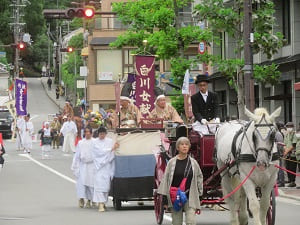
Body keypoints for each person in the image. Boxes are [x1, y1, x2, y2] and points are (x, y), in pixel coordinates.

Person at [158, 137, 203, 225]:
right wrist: (165, 199)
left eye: (186, 144)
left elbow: (199, 177)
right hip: (175, 196)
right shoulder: (171, 162)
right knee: (176, 222)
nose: (184, 146)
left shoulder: (193, 163)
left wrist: (200, 194)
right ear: (178, 147)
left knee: (191, 221)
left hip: (190, 196)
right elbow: (165, 180)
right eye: (182, 144)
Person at [92, 126, 119, 212]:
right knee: (99, 185)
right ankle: (100, 203)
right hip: (99, 167)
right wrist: (110, 149)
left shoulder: (110, 141)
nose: (102, 135)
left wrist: (112, 149)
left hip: (107, 166)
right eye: (100, 134)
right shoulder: (95, 142)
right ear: (98, 134)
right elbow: (98, 152)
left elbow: (113, 153)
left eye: (103, 134)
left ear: (106, 134)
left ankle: (103, 203)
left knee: (106, 186)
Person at [71, 126, 95, 208]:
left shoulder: (95, 142)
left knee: (91, 184)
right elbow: (77, 156)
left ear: (91, 133)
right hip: (83, 166)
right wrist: (75, 166)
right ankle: (81, 199)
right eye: (86, 132)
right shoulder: (81, 143)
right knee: (81, 184)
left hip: (92, 166)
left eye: (89, 132)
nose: (87, 133)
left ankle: (90, 200)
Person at [283, 122, 297, 187]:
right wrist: (285, 150)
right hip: (287, 154)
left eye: (290, 127)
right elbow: (285, 144)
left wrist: (287, 151)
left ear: (293, 127)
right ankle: (289, 180)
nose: (289, 128)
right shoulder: (286, 134)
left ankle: (293, 181)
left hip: (293, 154)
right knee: (287, 167)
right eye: (288, 127)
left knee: (292, 168)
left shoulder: (294, 134)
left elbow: (293, 145)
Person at [275, 122, 285, 187]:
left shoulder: (278, 134)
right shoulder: (276, 133)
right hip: (277, 154)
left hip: (279, 153)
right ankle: (278, 180)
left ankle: (281, 181)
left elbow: (280, 144)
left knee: (280, 168)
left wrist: (280, 153)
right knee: (278, 168)